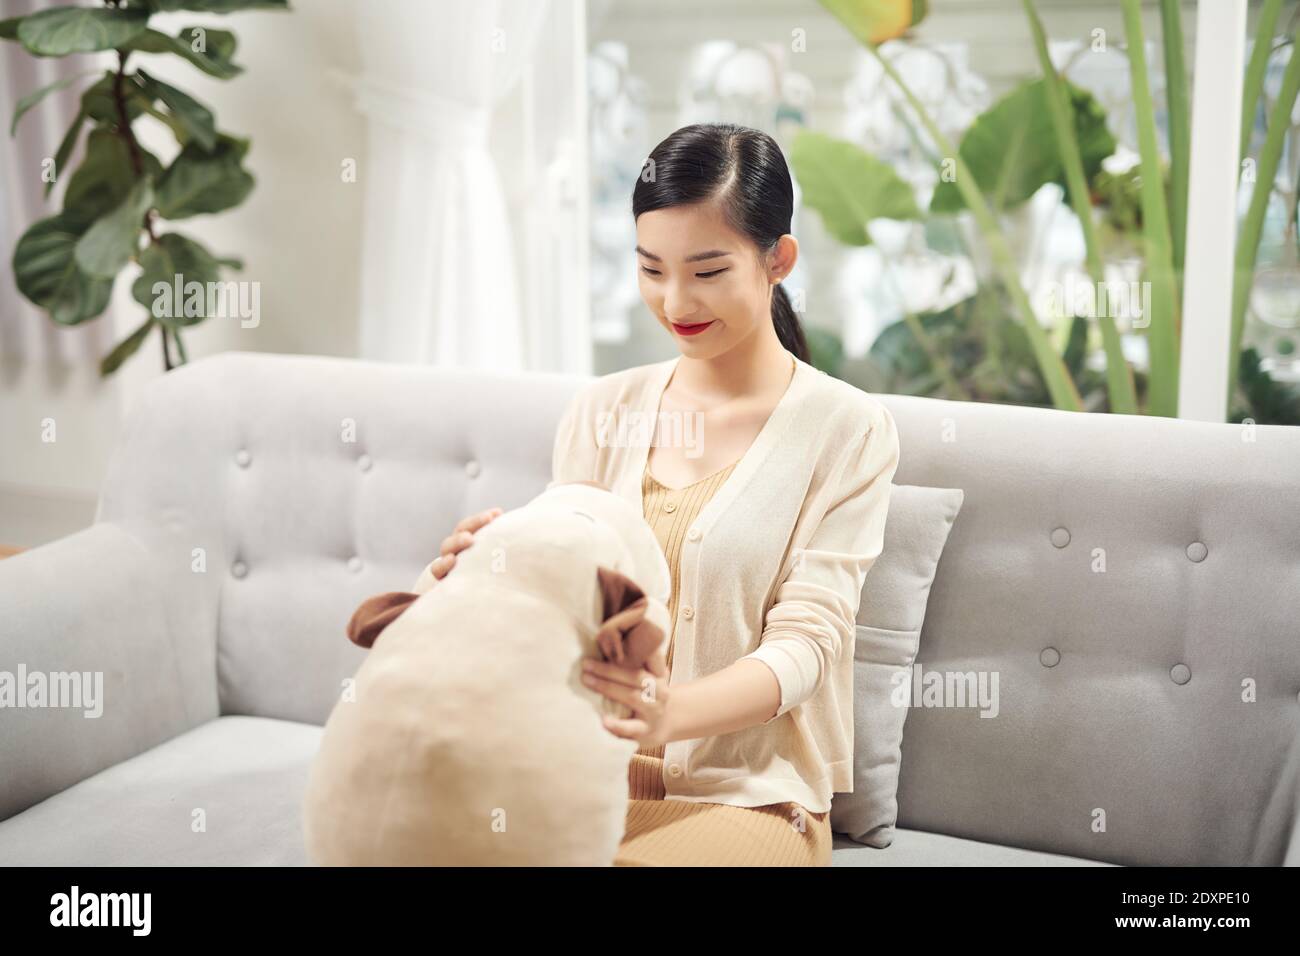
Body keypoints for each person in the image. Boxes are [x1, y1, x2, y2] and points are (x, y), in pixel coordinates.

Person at [433, 123, 900, 866]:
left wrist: (670, 714)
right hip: (580, 771)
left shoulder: (847, 430)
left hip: (748, 796)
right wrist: (482, 575)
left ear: (778, 259)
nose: (674, 300)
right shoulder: (602, 411)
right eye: (652, 270)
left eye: (708, 271)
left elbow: (809, 643)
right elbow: (572, 598)